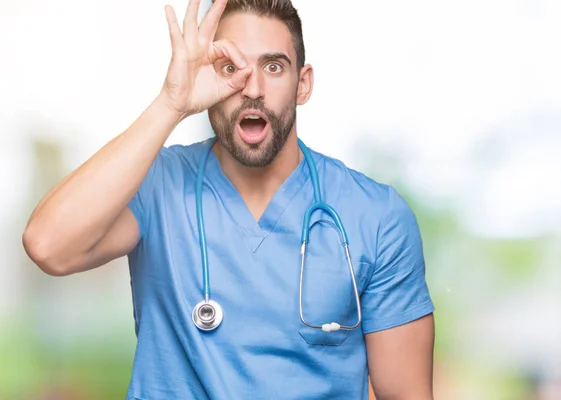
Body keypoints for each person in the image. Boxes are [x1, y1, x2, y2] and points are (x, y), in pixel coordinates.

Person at [22, 0, 436, 398]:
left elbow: (406, 394)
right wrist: (171, 104)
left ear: (303, 84)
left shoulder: (375, 215)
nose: (252, 88)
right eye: (230, 68)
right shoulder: (156, 184)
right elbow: (48, 246)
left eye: (273, 67)